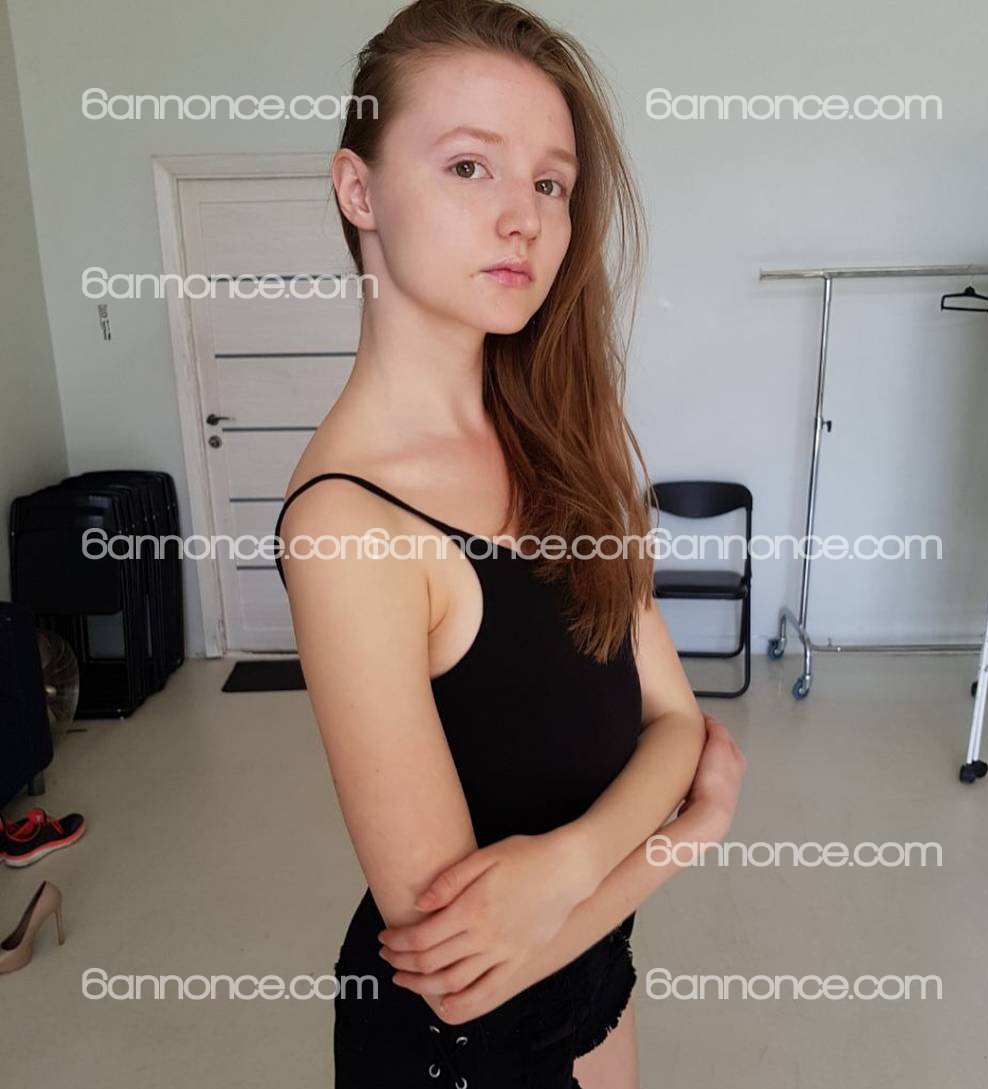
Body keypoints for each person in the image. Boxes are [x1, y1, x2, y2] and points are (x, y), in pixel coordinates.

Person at [273, 1, 748, 1085]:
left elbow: (675, 719)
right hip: (457, 1055)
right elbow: (464, 973)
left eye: (550, 183)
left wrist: (567, 863)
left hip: (595, 980)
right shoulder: (351, 525)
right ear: (359, 191)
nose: (523, 219)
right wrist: (693, 828)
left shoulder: (558, 442)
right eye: (468, 167)